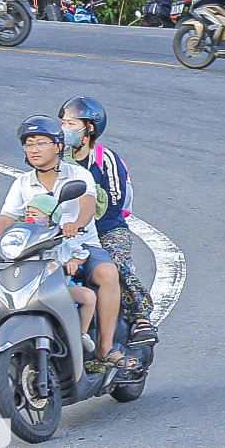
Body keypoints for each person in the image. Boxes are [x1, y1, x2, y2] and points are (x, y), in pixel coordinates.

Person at [0, 116, 139, 370]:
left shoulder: (78, 174)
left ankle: (106, 348)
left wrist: (77, 223)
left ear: (58, 146)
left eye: (41, 143)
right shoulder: (22, 183)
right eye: (29, 145)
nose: (34, 150)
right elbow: (7, 216)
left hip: (81, 247)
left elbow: (87, 202)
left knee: (108, 273)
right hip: (39, 250)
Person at [59, 96, 157, 347]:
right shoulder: (58, 158)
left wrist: (86, 229)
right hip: (65, 230)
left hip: (106, 228)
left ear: (89, 128)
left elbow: (115, 203)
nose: (64, 129)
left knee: (114, 264)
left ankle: (140, 317)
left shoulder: (106, 159)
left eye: (71, 124)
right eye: (63, 123)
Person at [24, 193, 98, 354]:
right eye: (27, 214)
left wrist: (73, 263)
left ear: (50, 218)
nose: (29, 218)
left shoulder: (60, 239)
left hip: (59, 288)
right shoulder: (23, 238)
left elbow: (81, 254)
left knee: (88, 297)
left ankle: (82, 335)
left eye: (34, 215)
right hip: (27, 289)